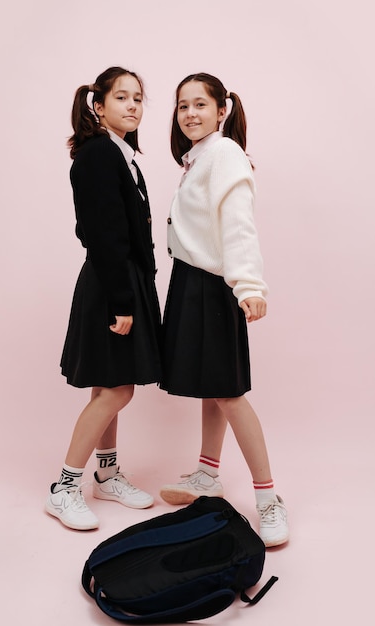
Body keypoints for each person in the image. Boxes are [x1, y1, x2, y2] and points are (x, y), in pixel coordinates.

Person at [159, 73, 289, 547]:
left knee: (229, 392)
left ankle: (270, 498)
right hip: (191, 280)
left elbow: (238, 225)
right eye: (182, 106)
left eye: (200, 105)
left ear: (222, 110)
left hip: (216, 286)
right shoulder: (200, 158)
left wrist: (249, 285)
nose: (190, 113)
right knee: (211, 390)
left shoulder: (225, 155)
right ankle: (207, 473)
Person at [45, 67, 162, 530]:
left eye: (138, 98)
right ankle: (64, 487)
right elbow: (101, 233)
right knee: (118, 388)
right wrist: (122, 300)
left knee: (108, 382)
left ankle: (107, 474)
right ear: (99, 105)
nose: (133, 106)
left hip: (124, 280)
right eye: (122, 97)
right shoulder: (97, 154)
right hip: (112, 283)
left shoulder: (122, 154)